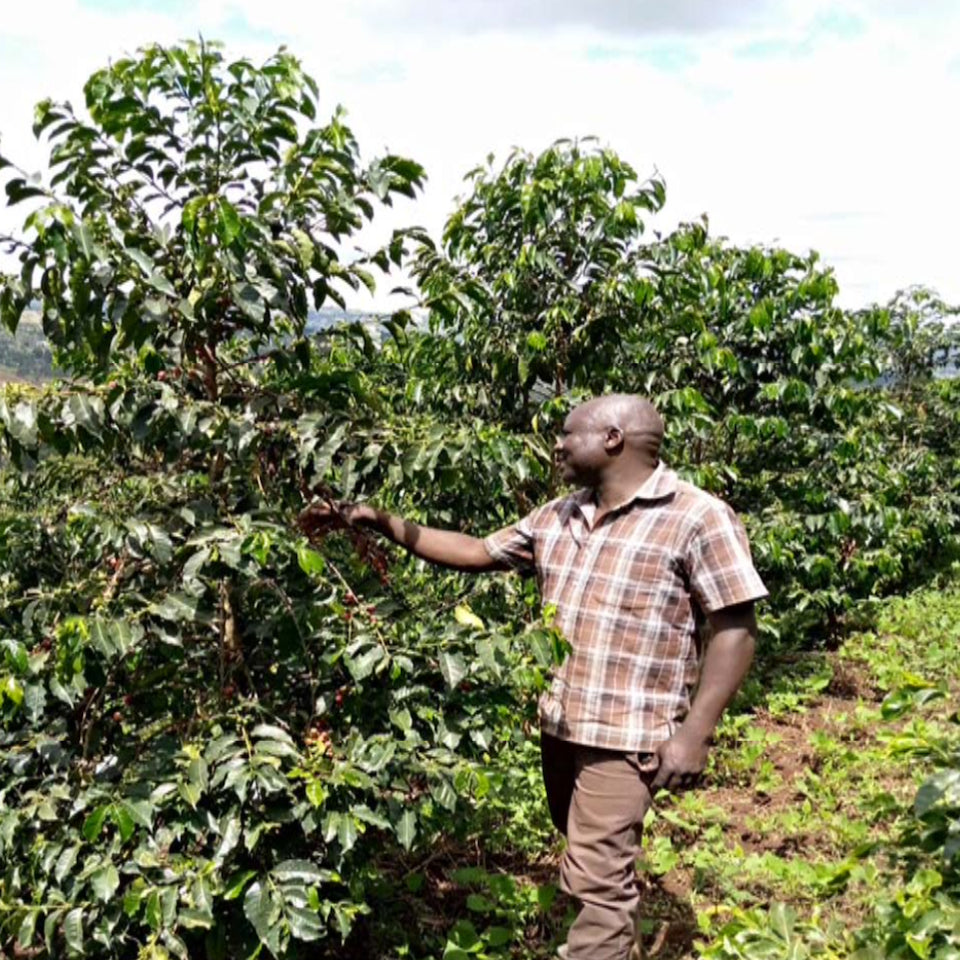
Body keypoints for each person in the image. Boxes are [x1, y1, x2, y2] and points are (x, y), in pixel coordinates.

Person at [299, 394, 767, 960]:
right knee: (591, 863)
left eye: (569, 434)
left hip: (627, 736)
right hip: (561, 724)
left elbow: (735, 625)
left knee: (597, 885)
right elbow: (476, 551)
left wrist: (696, 732)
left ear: (612, 439)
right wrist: (374, 520)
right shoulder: (561, 514)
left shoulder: (696, 516)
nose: (558, 444)